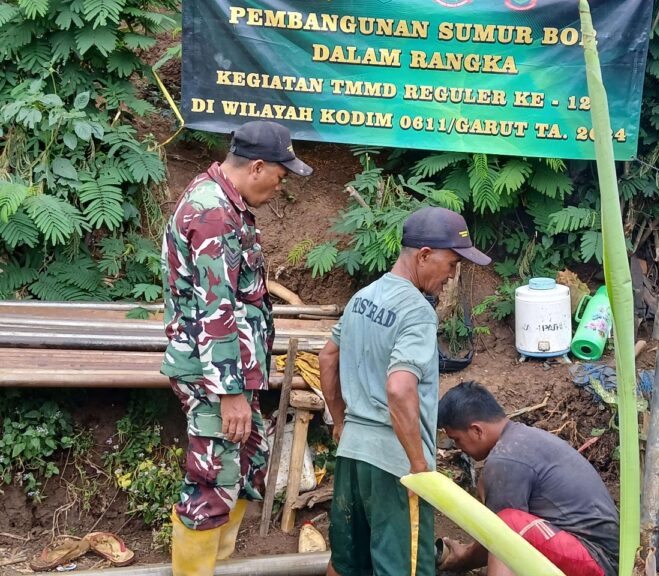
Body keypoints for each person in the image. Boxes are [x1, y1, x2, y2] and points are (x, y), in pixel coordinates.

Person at [161, 120, 313, 576]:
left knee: (246, 467)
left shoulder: (228, 204)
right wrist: (229, 392)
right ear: (258, 166)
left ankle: (217, 565)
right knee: (212, 481)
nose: (280, 185)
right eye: (280, 176)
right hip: (213, 376)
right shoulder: (212, 213)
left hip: (233, 372)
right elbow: (215, 309)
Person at [319, 206, 491, 576]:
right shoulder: (416, 311)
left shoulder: (363, 297)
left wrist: (339, 421)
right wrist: (417, 465)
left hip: (352, 456)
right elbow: (399, 388)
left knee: (346, 564)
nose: (452, 275)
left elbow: (328, 358)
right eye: (451, 263)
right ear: (424, 255)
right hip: (394, 463)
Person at [436, 381, 620, 576]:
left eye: (457, 439)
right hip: (597, 554)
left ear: (477, 430)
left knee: (507, 523)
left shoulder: (505, 459)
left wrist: (463, 559)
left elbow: (500, 537)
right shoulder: (523, 439)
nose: (458, 446)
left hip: (596, 563)